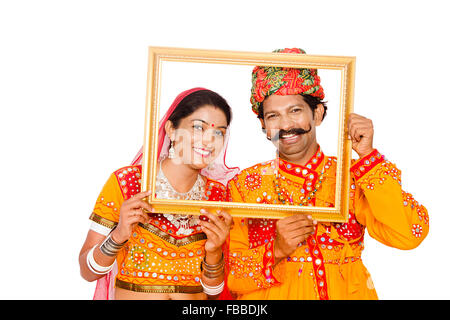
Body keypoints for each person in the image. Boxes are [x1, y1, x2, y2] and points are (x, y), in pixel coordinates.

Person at [226, 48, 429, 299]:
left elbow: (409, 234)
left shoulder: (351, 178)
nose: (286, 125)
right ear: (263, 126)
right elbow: (230, 277)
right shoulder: (244, 186)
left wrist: (367, 156)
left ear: (318, 113)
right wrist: (276, 250)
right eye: (273, 116)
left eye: (295, 111)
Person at [79, 88, 239, 300]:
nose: (209, 141)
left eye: (218, 132)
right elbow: (87, 272)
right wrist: (118, 236)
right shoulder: (128, 183)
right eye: (198, 128)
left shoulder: (218, 195)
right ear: (171, 129)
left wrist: (214, 252)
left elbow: (213, 294)